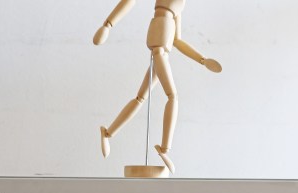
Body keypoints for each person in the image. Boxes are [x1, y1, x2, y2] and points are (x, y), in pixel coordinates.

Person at [94, 0, 222, 173]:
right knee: (172, 96)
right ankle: (164, 149)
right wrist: (108, 25)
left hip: (163, 53)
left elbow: (177, 40)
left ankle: (108, 133)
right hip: (158, 49)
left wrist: (202, 60)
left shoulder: (180, 5)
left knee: (140, 98)